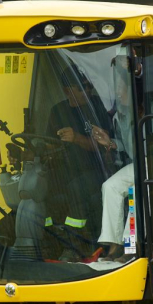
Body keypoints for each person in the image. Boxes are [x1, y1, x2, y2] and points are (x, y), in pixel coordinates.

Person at [92, 51, 153, 259]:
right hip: (143, 163)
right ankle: (114, 244)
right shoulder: (121, 115)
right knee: (109, 186)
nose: (117, 92)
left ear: (133, 89)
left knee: (138, 189)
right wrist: (109, 142)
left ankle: (131, 245)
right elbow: (126, 147)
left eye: (121, 87)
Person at [45, 72, 113, 258]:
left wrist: (75, 138)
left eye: (88, 86)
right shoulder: (57, 110)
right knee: (42, 188)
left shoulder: (97, 106)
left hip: (96, 169)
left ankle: (73, 245)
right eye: (82, 87)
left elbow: (104, 145)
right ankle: (49, 243)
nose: (88, 90)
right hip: (64, 169)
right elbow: (48, 144)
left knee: (77, 188)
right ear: (68, 91)